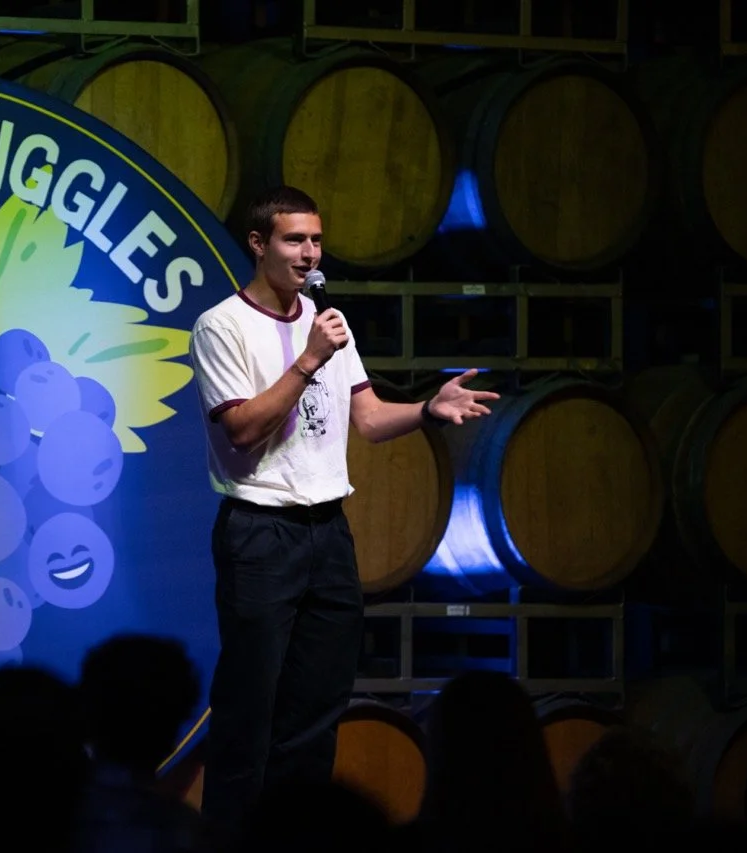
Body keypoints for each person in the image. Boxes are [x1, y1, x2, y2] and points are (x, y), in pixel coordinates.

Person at [187, 185, 498, 830]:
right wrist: (307, 359)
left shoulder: (329, 323)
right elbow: (241, 430)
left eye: (316, 240)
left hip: (327, 534)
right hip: (260, 533)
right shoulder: (223, 325)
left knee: (316, 709)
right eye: (294, 240)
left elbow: (370, 418)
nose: (309, 254)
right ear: (258, 244)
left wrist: (428, 411)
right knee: (250, 711)